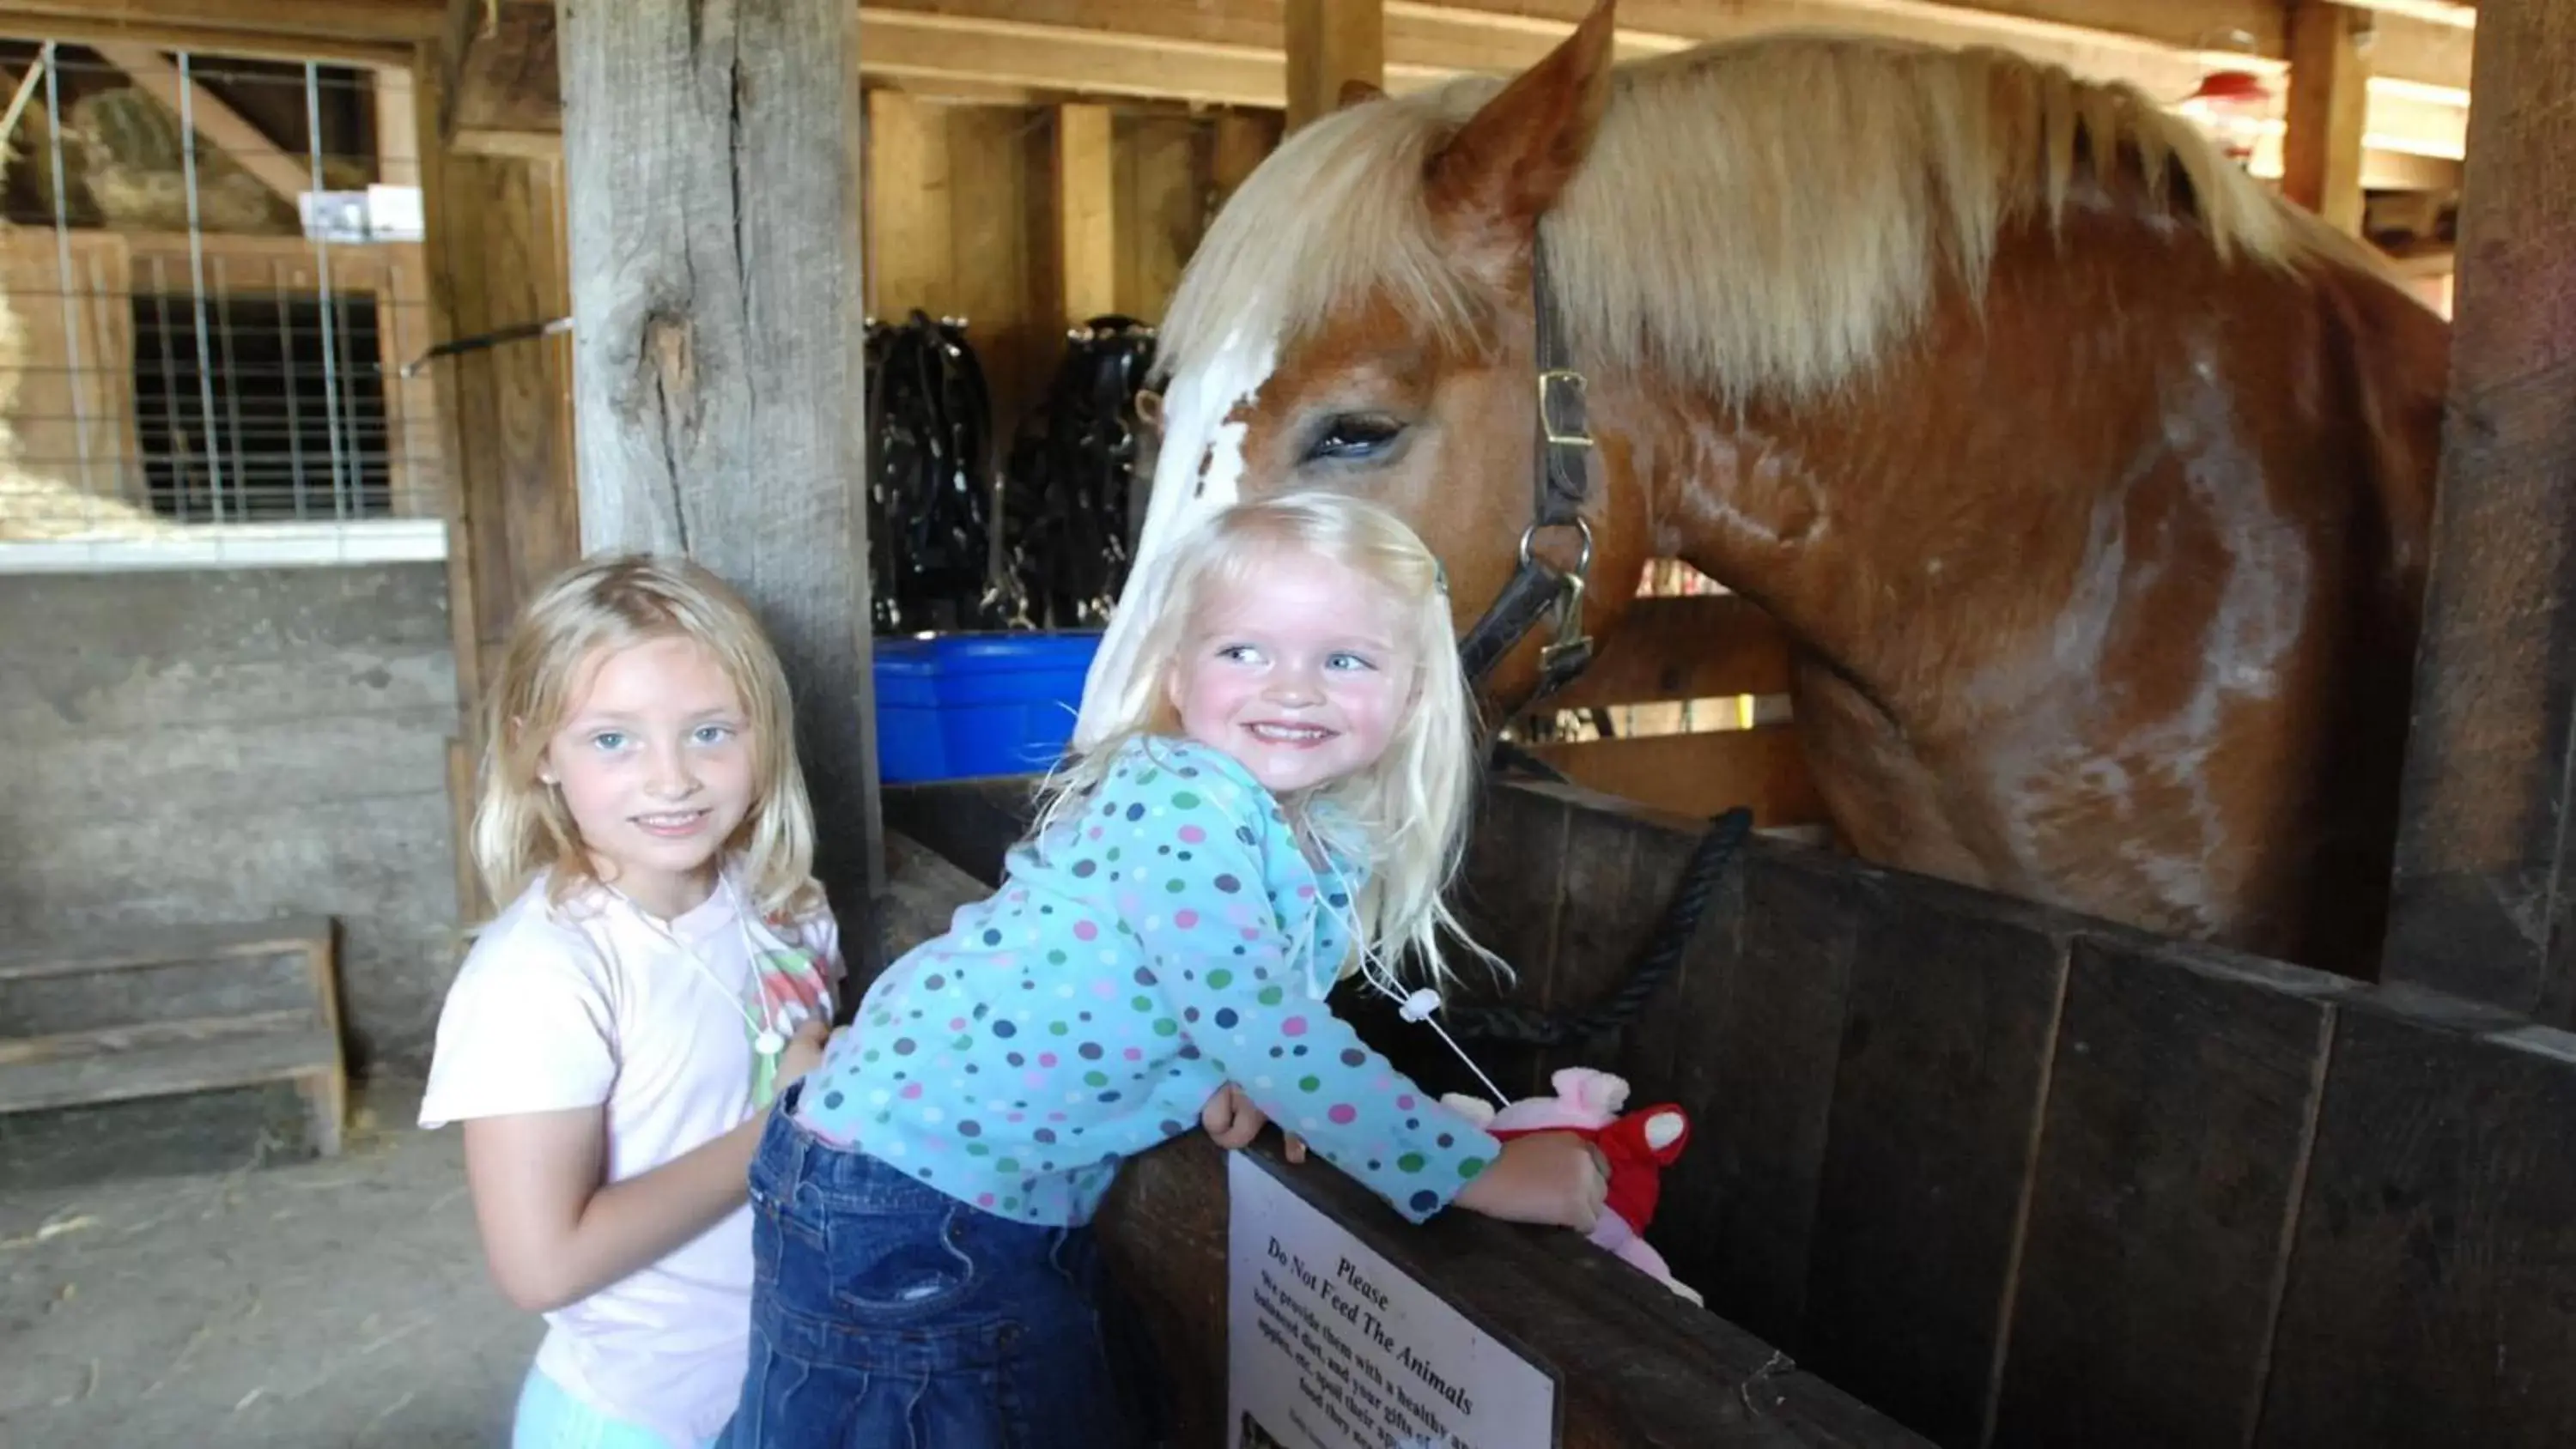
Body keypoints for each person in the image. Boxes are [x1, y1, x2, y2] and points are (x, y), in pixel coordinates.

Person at [720, 492, 1613, 1448]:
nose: (1294, 687)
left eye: (1345, 658)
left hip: (938, 1190)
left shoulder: (1298, 829)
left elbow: (1231, 1005)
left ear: (1416, 695)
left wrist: (1235, 1072)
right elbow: (1270, 1026)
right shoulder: (1179, 800)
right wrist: (1476, 1169)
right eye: (1245, 651)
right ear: (1179, 673)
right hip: (912, 1202)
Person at [419, 555, 846, 1449]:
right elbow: (543, 1263)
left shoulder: (783, 903)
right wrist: (785, 1123)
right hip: (638, 1418)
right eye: (614, 738)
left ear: (764, 731)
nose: (672, 777)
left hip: (799, 1382)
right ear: (539, 750)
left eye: (711, 731)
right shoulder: (541, 975)